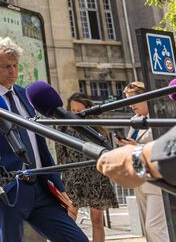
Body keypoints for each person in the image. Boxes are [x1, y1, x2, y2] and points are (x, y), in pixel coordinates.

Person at [0, 37, 88, 242]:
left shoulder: (25, 95)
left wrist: (58, 186)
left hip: (41, 188)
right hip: (7, 193)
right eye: (6, 66)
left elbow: (39, 143)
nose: (13, 71)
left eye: (15, 65)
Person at [109, 82, 170, 242]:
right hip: (140, 178)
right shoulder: (135, 120)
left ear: (146, 98)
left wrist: (138, 146)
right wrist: (125, 145)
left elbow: (163, 145)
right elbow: (134, 146)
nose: (130, 105)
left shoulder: (159, 117)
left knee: (155, 227)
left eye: (133, 100)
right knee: (147, 228)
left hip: (158, 180)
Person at [55, 93, 118, 242]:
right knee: (69, 218)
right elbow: (60, 157)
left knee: (97, 220)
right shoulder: (63, 128)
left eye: (80, 110)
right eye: (73, 110)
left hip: (96, 178)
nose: (76, 114)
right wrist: (61, 180)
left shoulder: (97, 128)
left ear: (88, 109)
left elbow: (106, 153)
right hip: (73, 179)